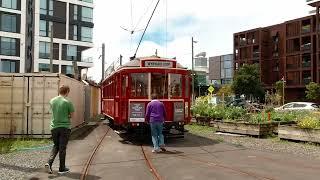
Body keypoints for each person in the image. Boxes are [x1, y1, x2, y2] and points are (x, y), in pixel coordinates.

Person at [45, 85, 75, 174]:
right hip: (64, 128)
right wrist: (67, 115)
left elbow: (53, 112)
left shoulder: (52, 101)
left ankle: (49, 163)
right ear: (67, 92)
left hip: (54, 127)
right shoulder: (68, 102)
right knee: (62, 148)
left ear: (59, 91)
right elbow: (72, 116)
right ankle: (62, 168)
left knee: (56, 146)